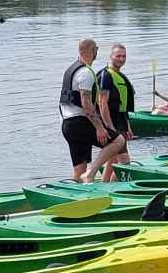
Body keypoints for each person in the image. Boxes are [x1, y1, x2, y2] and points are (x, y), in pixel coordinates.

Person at [59, 39, 127, 181]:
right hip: (79, 121)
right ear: (92, 51)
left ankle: (78, 195)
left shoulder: (71, 69)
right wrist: (100, 128)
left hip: (67, 124)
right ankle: (91, 174)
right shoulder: (85, 72)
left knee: (79, 167)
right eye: (96, 49)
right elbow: (86, 103)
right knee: (118, 141)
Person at [95, 44, 137, 181]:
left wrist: (127, 126)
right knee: (124, 161)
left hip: (120, 121)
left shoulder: (119, 76)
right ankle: (110, 186)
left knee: (114, 159)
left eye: (124, 56)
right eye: (118, 56)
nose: (121, 59)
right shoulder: (105, 75)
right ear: (111, 56)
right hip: (111, 122)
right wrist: (109, 127)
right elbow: (102, 103)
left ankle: (105, 184)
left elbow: (122, 105)